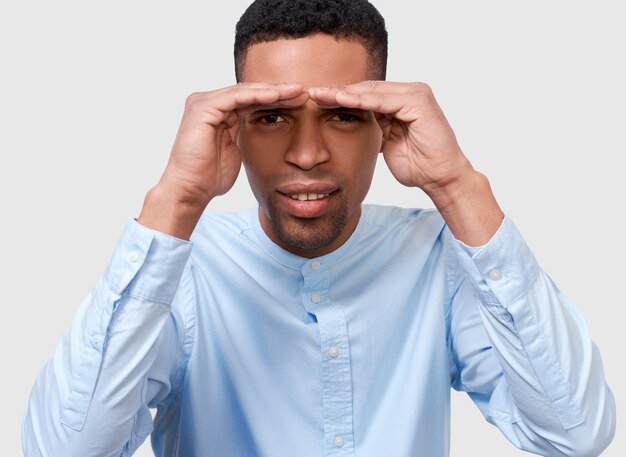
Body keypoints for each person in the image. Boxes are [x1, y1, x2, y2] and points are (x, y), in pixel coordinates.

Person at [22, 0, 616, 456]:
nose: (307, 154)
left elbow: (574, 433)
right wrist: (176, 199)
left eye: (343, 116)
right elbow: (66, 447)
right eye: (272, 116)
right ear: (235, 129)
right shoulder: (182, 269)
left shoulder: (438, 256)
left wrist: (459, 186)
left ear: (385, 126)